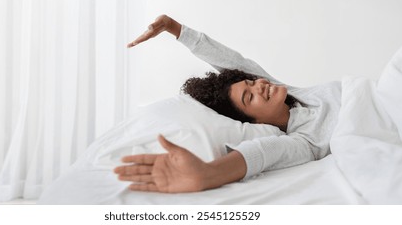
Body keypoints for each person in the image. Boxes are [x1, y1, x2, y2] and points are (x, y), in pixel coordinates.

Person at [114, 15, 341, 193]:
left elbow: (234, 63)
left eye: (251, 82)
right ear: (255, 122)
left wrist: (174, 27)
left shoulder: (292, 94)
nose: (260, 85)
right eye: (249, 97)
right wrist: (207, 174)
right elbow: (261, 154)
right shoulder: (304, 141)